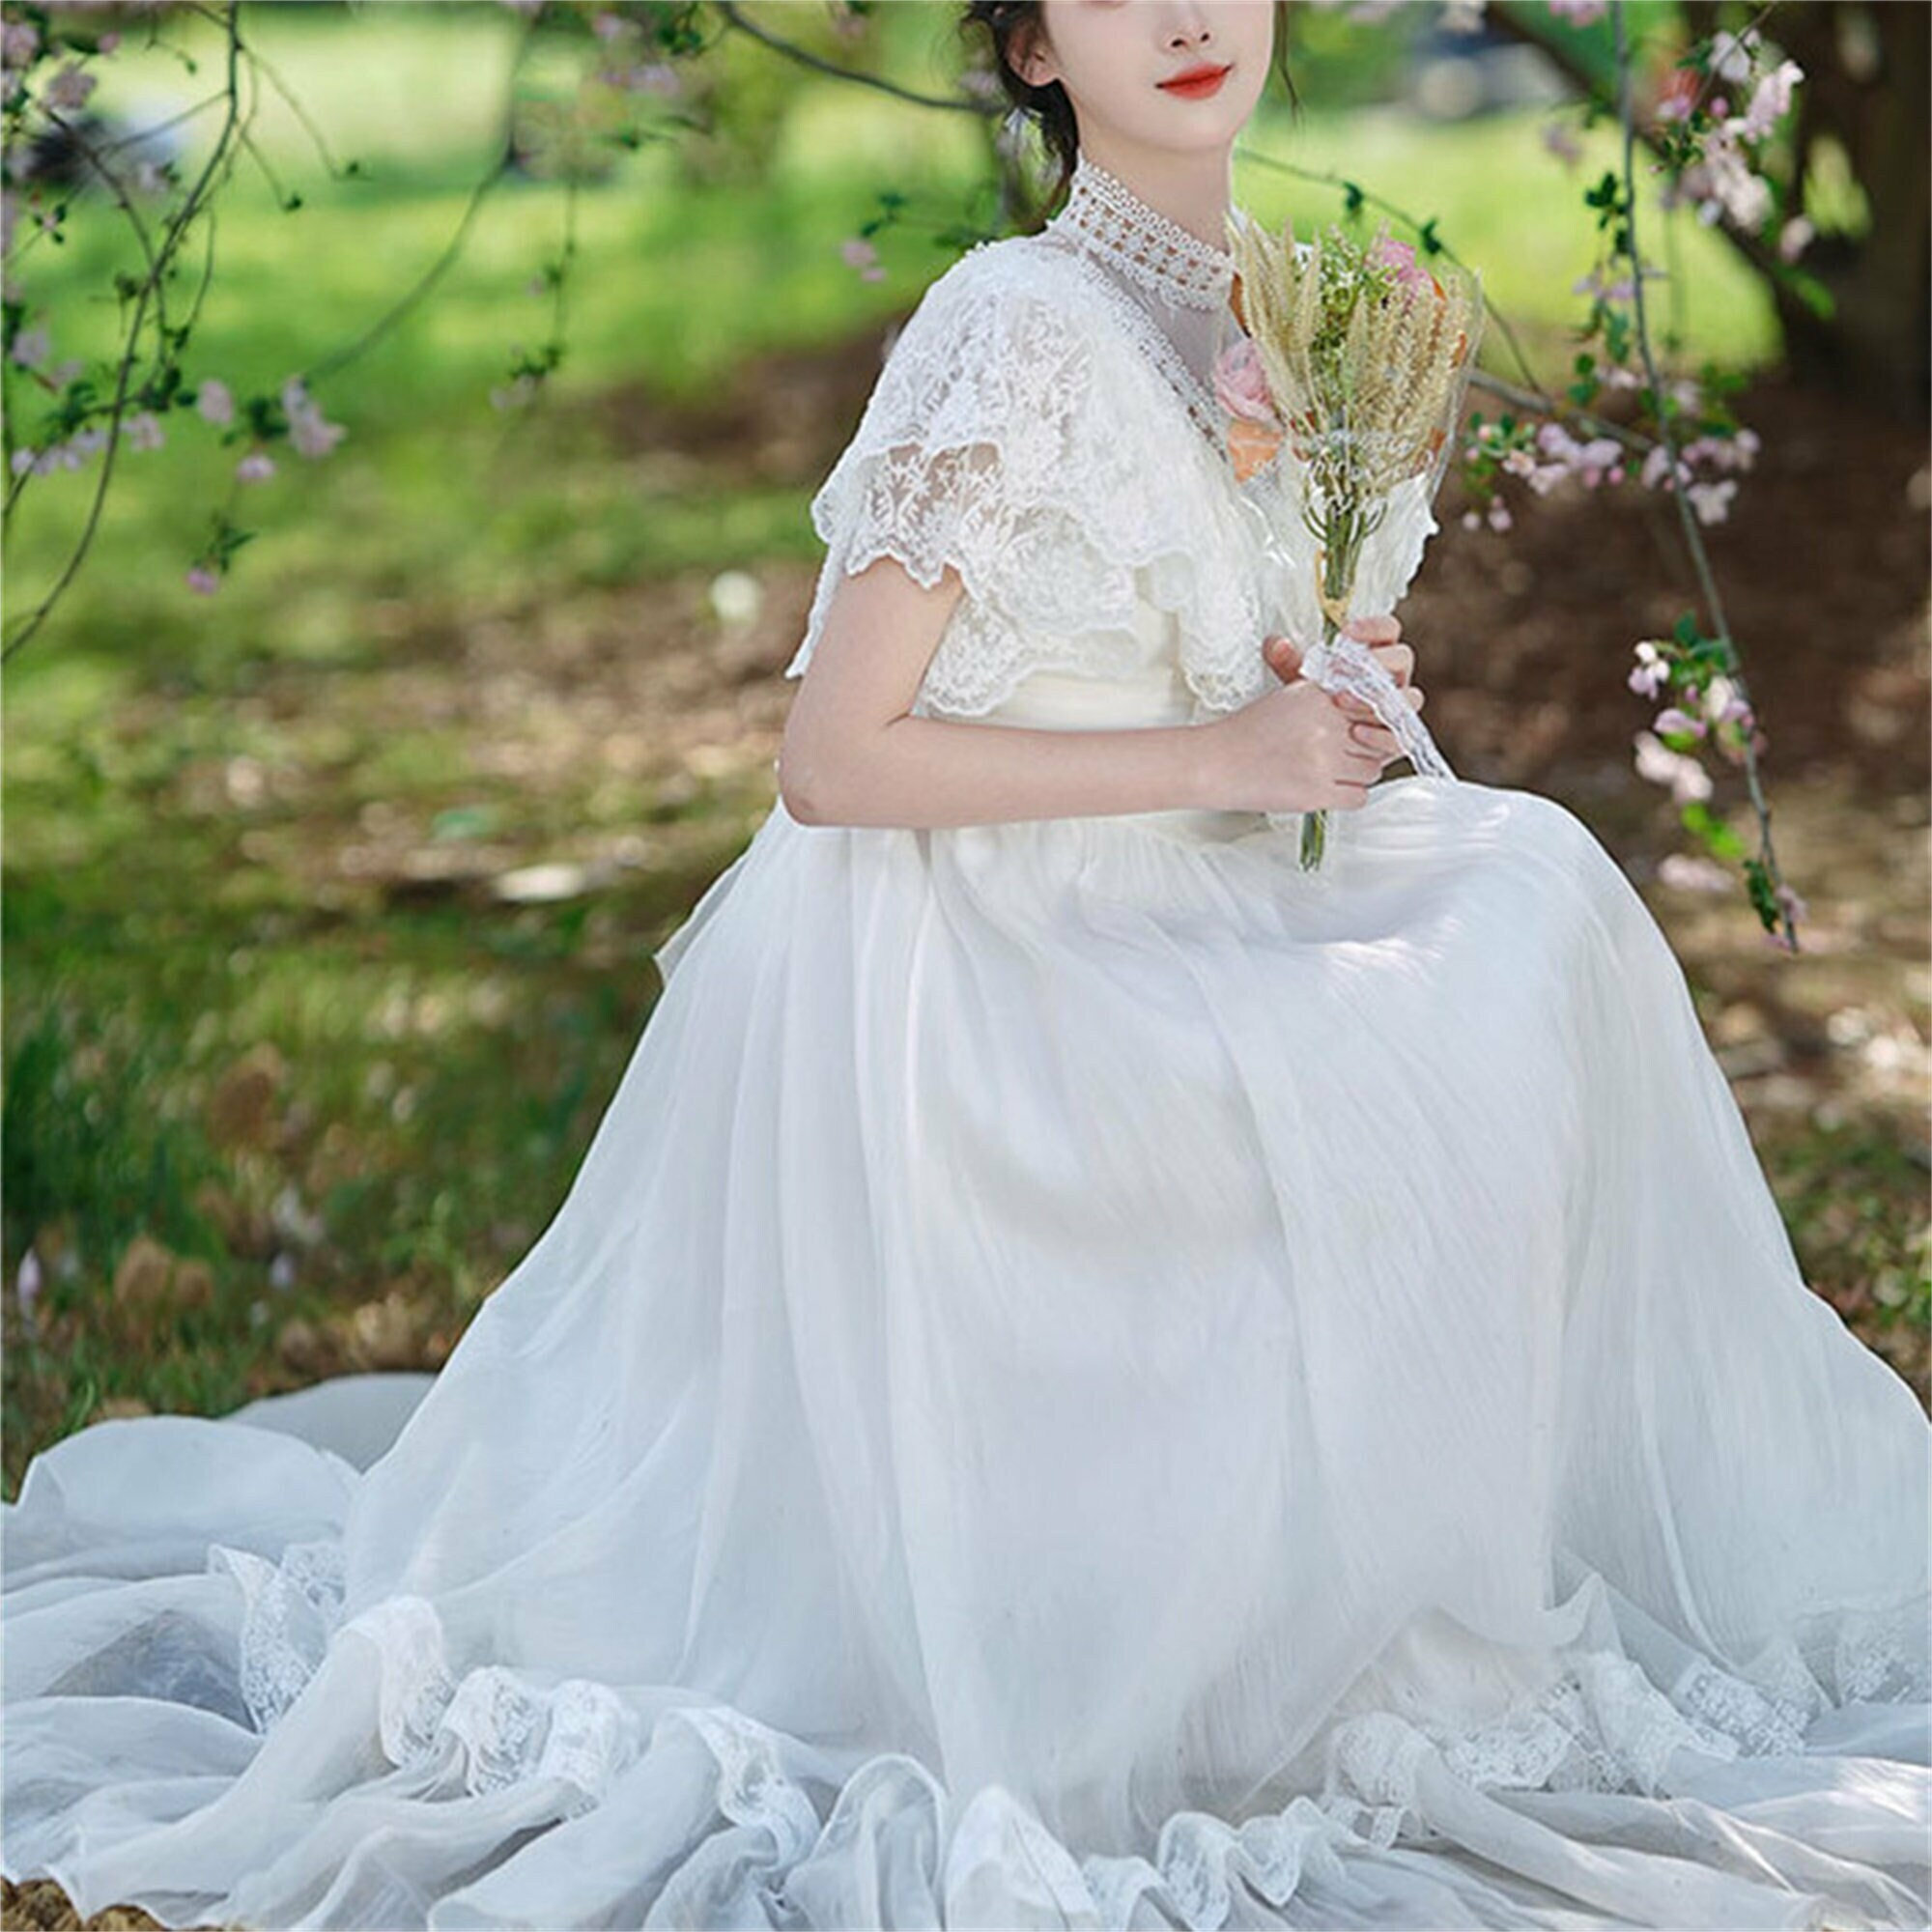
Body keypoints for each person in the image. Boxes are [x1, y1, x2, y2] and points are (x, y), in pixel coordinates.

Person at [6, 4, 1929, 1928]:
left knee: (1520, 889)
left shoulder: (1301, 319)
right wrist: (1216, 759)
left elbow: (1221, 650)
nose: (1182, 16)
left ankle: (1370, 1591)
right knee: (1479, 932)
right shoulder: (1011, 323)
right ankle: (1201, 1631)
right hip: (985, 955)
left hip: (1194, 876)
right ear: (1026, 48)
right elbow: (833, 761)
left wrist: (1318, 696)